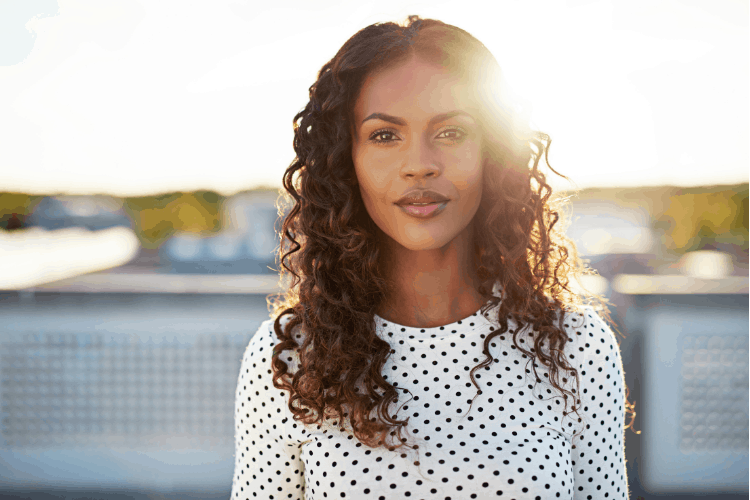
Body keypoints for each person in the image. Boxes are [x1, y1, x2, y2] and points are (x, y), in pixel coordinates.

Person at [232, 15, 633, 500]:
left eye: (450, 133)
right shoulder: (291, 357)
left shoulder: (576, 346)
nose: (420, 163)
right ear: (347, 158)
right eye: (384, 135)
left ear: (492, 151)